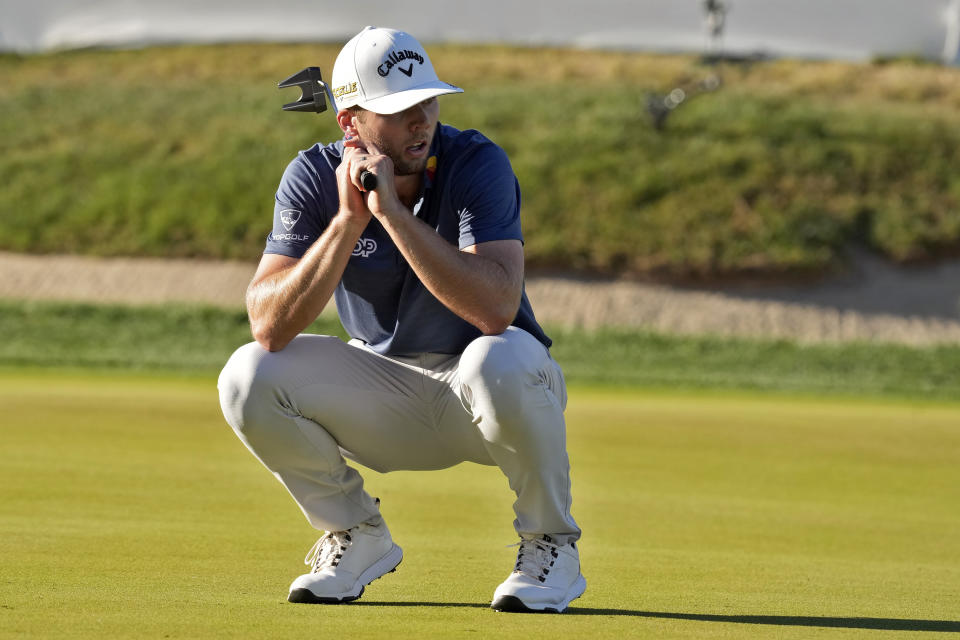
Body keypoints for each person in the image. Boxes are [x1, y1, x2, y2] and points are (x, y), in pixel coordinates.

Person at [217, 25, 584, 613]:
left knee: (502, 354)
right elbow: (269, 322)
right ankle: (356, 535)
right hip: (382, 393)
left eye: (427, 101)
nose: (421, 120)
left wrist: (390, 214)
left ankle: (551, 547)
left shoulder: (475, 162)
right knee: (247, 374)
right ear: (350, 122)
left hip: (487, 392)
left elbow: (495, 308)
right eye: (398, 108)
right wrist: (347, 221)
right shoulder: (312, 177)